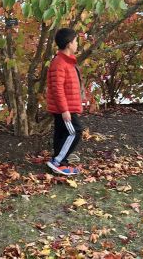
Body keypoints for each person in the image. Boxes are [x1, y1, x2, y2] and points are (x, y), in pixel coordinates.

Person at [46, 28, 83, 176]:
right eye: (75, 42)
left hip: (66, 107)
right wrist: (64, 110)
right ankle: (57, 161)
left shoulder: (67, 62)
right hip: (65, 108)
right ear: (69, 44)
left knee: (62, 133)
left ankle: (62, 158)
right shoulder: (59, 63)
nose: (77, 45)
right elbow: (57, 89)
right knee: (76, 131)